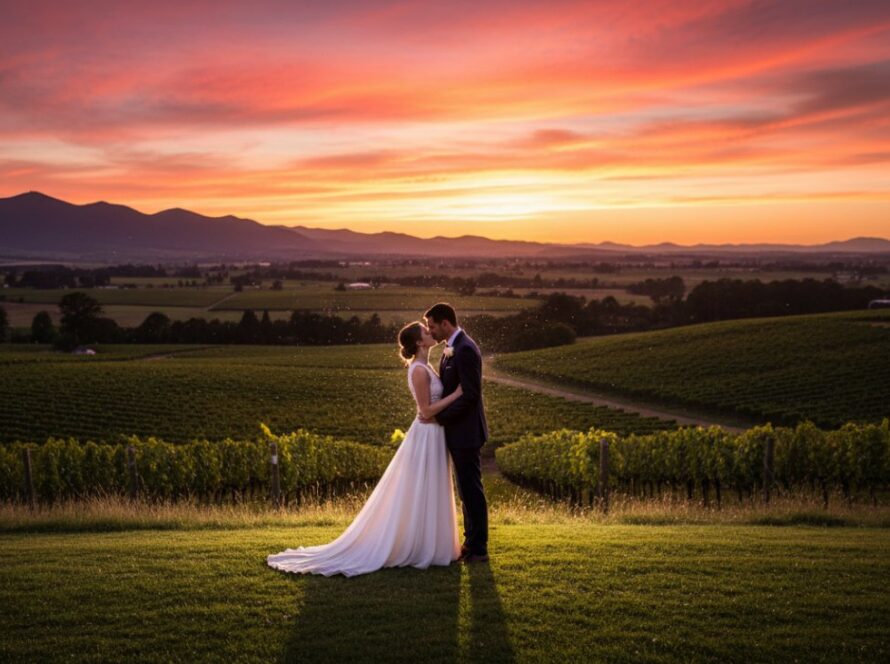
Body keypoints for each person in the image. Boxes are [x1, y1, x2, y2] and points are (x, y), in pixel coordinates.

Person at [267, 321, 462, 577]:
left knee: (429, 487)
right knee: (419, 488)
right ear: (418, 342)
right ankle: (419, 545)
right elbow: (425, 411)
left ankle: (430, 543)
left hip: (434, 432)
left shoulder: (425, 366)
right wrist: (457, 394)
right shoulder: (418, 370)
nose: (430, 332)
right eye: (426, 332)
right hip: (426, 434)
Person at [422, 303, 489, 563]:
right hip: (458, 431)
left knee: (471, 489)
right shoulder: (452, 347)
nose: (431, 331)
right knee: (465, 489)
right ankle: (470, 543)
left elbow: (470, 396)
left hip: (466, 432)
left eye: (432, 326)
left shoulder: (464, 349)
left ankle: (479, 548)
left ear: (445, 323)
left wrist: (439, 417)